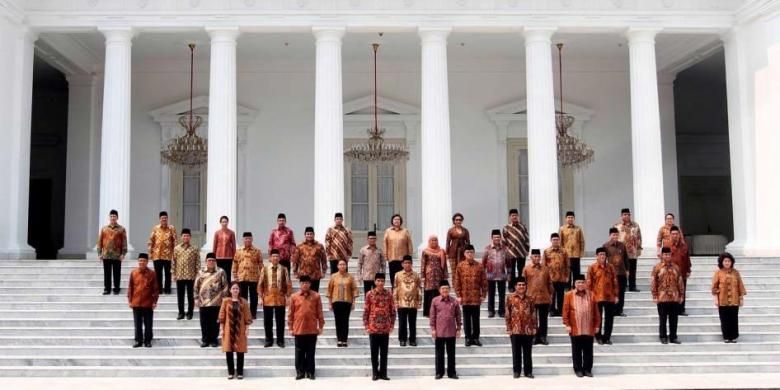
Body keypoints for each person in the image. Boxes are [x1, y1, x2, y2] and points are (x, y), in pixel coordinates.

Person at [288, 275, 325, 380]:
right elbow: (290, 313)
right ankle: (300, 372)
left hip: (312, 328)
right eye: (303, 283)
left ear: (310, 284)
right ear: (300, 284)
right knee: (299, 352)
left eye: (307, 283)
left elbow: (320, 312)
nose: (305, 285)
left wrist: (321, 326)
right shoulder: (294, 297)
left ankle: (310, 372)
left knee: (310, 352)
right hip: (299, 328)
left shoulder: (316, 296)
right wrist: (290, 328)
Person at [563, 275, 600, 378]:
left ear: (585, 283)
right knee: (576, 350)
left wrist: (597, 325)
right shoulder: (569, 295)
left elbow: (596, 312)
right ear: (575, 284)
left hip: (589, 327)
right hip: (575, 328)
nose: (580, 284)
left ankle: (587, 370)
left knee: (588, 350)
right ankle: (578, 369)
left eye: (582, 282)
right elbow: (565, 312)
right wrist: (567, 324)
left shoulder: (591, 295)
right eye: (578, 282)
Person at [363, 272, 396, 381]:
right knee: (374, 352)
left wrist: (392, 325)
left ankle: (383, 373)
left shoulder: (389, 294)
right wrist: (366, 326)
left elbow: (393, 311)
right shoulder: (369, 294)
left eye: (382, 281)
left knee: (384, 352)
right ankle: (375, 373)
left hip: (385, 327)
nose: (380, 283)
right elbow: (366, 311)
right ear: (375, 282)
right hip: (373, 328)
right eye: (378, 281)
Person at [453, 244, 487, 347]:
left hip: (476, 297)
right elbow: (457, 281)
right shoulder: (460, 266)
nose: (470, 254)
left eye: (471, 252)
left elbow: (484, 281)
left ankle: (476, 337)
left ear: (474, 253)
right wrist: (458, 295)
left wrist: (483, 294)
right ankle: (468, 337)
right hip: (465, 297)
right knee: (467, 319)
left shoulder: (479, 266)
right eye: (468, 252)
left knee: (476, 318)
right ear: (464, 254)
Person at [258, 249, 292, 348]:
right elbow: (260, 284)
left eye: (277, 256)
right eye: (273, 256)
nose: (275, 258)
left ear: (279, 258)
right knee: (267, 321)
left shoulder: (284, 269)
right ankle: (268, 340)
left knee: (280, 321)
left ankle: (280, 340)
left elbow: (288, 284)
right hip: (267, 298)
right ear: (270, 258)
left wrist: (288, 296)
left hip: (280, 298)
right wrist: (260, 297)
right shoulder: (264, 269)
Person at [651, 247, 685, 344]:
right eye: (665, 254)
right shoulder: (657, 268)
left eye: (669, 254)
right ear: (662, 255)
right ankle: (663, 336)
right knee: (663, 318)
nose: (667, 256)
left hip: (674, 297)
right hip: (662, 297)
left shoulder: (676, 267)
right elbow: (653, 282)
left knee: (674, 319)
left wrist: (681, 295)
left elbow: (680, 282)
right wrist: (654, 295)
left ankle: (673, 337)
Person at [219, 282, 252, 380]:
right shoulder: (225, 301)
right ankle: (231, 372)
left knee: (240, 351)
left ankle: (240, 372)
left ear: (239, 290)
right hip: (228, 329)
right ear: (230, 290)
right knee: (228, 351)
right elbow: (221, 316)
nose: (235, 290)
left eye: (237, 288)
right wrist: (221, 329)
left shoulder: (244, 302)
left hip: (240, 329)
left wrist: (247, 329)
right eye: (233, 288)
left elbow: (247, 316)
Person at [505, 277, 537, 379]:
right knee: (516, 351)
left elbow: (533, 314)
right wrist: (509, 328)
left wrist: (535, 327)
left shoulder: (530, 299)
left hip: (528, 329)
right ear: (515, 286)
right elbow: (507, 314)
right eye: (519, 285)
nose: (521, 287)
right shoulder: (510, 298)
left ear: (526, 286)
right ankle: (517, 371)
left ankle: (528, 372)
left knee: (528, 352)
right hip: (515, 329)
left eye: (523, 285)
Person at [712, 252, 747, 343]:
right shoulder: (718, 273)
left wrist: (741, 298)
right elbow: (714, 287)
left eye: (729, 261)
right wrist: (716, 298)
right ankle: (726, 337)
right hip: (723, 300)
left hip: (734, 300)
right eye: (725, 261)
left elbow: (740, 285)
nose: (727, 263)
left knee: (733, 319)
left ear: (732, 262)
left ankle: (734, 336)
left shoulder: (736, 273)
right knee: (724, 319)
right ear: (722, 262)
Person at [195, 253, 228, 348]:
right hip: (203, 302)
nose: (211, 262)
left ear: (215, 262)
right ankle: (205, 340)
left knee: (215, 322)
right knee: (204, 322)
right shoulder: (201, 272)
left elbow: (225, 286)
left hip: (217, 302)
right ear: (206, 262)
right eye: (209, 260)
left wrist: (224, 300)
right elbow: (196, 286)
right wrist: (196, 298)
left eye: (213, 260)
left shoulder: (221, 272)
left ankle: (214, 340)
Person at [587, 247, 619, 345]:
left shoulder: (610, 267)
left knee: (609, 318)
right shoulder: (592, 268)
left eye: (604, 255)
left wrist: (616, 295)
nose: (602, 256)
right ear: (596, 256)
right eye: (600, 254)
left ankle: (607, 337)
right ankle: (598, 336)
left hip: (609, 296)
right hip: (597, 296)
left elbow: (615, 282)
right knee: (598, 318)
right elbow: (589, 283)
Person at [430, 280, 461, 380]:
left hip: (451, 331)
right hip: (439, 331)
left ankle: (452, 373)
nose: (445, 290)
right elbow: (432, 316)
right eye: (443, 288)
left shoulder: (454, 301)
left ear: (449, 290)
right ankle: (439, 372)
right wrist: (433, 329)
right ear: (439, 290)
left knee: (451, 353)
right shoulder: (435, 301)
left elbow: (458, 316)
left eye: (447, 288)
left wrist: (459, 329)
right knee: (439, 354)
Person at [522, 249, 553, 345]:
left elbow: (549, 283)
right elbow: (523, 284)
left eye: (538, 256)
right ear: (531, 257)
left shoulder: (545, 269)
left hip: (544, 297)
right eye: (535, 256)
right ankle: (534, 336)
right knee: (533, 319)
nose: (537, 258)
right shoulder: (526, 269)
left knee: (544, 319)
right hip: (531, 298)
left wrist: (550, 295)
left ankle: (543, 336)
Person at [127, 253, 159, 348]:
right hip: (136, 302)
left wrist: (154, 301)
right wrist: (129, 300)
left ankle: (148, 340)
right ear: (138, 261)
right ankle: (138, 341)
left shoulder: (152, 273)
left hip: (148, 303)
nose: (142, 262)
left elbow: (156, 289)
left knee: (148, 324)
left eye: (144, 261)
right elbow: (130, 287)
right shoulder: (133, 273)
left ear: (147, 262)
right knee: (137, 324)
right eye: (140, 260)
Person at [328, 259, 359, 347]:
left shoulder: (350, 277)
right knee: (338, 321)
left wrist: (354, 302)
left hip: (347, 301)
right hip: (336, 301)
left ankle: (344, 339)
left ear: (346, 266)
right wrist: (330, 303)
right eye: (340, 264)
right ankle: (339, 339)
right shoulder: (333, 276)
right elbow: (329, 290)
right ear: (337, 266)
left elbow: (354, 290)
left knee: (345, 321)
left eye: (344, 264)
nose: (342, 266)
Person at [232, 232, 263, 319]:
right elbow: (235, 264)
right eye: (246, 238)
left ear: (252, 239)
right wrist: (235, 276)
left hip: (254, 277)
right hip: (242, 277)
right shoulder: (239, 251)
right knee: (243, 297)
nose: (248, 240)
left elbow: (260, 264)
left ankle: (253, 313)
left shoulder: (257, 251)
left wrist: (262, 276)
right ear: (243, 240)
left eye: (249, 238)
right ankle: (244, 313)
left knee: (254, 297)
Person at [172, 228, 200, 320]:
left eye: (187, 236)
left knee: (190, 295)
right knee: (180, 295)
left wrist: (197, 275)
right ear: (181, 237)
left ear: (190, 237)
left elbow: (198, 263)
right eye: (184, 236)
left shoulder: (194, 249)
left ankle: (190, 312)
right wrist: (173, 274)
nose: (186, 237)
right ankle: (181, 312)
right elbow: (173, 261)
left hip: (191, 276)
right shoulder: (176, 249)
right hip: (179, 275)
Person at [97, 209, 127, 295]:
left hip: (117, 254)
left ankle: (116, 288)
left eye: (114, 216)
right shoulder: (104, 229)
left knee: (117, 272)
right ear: (109, 217)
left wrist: (123, 253)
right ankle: (107, 288)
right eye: (111, 216)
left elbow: (124, 242)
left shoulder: (121, 229)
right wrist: (99, 253)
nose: (113, 218)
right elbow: (100, 242)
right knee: (107, 273)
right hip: (106, 254)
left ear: (117, 217)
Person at [394, 255, 422, 346]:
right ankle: (402, 339)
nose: (407, 264)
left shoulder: (416, 275)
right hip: (402, 302)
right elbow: (395, 288)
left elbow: (419, 288)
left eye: (409, 263)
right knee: (402, 322)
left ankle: (412, 339)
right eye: (405, 263)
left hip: (413, 302)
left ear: (412, 264)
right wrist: (395, 301)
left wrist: (419, 301)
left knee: (412, 322)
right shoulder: (398, 275)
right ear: (402, 264)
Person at [148, 211, 177, 295]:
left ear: (167, 219)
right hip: (157, 254)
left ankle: (167, 289)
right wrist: (150, 252)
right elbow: (151, 241)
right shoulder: (155, 228)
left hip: (168, 255)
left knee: (168, 273)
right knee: (158, 274)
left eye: (165, 218)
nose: (164, 219)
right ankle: (159, 289)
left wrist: (175, 253)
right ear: (159, 219)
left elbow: (175, 241)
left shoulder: (171, 228)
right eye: (162, 218)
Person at [483, 229, 510, 318]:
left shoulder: (505, 248)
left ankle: (501, 311)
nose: (497, 239)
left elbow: (508, 262)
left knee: (502, 294)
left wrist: (509, 273)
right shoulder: (487, 248)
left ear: (500, 238)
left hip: (502, 275)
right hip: (490, 275)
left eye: (498, 237)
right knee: (491, 294)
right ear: (492, 238)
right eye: (495, 237)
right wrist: (483, 274)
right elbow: (483, 262)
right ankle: (491, 311)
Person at [614, 208, 642, 292]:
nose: (626, 216)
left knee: (632, 269)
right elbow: (614, 238)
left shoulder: (635, 225)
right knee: (621, 270)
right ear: (621, 216)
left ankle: (632, 286)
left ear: (630, 215)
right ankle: (623, 286)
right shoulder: (617, 226)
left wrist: (639, 248)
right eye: (624, 215)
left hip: (632, 251)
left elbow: (639, 237)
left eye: (628, 214)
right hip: (620, 252)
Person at [293, 226, 328, 292]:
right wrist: (295, 272)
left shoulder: (319, 246)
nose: (309, 235)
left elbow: (324, 259)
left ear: (314, 234)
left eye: (311, 234)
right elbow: (295, 260)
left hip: (315, 274)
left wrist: (324, 271)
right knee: (304, 294)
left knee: (314, 294)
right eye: (308, 234)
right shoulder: (300, 246)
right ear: (305, 235)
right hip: (303, 274)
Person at [503, 209, 530, 292]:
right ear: (510, 217)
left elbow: (527, 239)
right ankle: (511, 286)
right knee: (511, 271)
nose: (514, 217)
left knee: (521, 270)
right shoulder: (506, 228)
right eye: (512, 215)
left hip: (521, 252)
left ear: (518, 216)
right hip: (510, 253)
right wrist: (505, 251)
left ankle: (521, 286)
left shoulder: (523, 227)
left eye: (516, 215)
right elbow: (504, 241)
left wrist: (527, 250)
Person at [421, 235, 448, 317]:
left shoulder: (442, 251)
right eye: (432, 240)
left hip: (439, 275)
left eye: (435, 240)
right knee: (429, 293)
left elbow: (445, 265)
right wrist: (422, 275)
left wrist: (445, 275)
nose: (434, 242)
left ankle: (438, 311)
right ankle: (428, 312)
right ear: (429, 241)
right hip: (429, 276)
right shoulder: (425, 251)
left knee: (438, 292)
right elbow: (423, 264)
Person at [603, 228, 628, 317]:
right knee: (611, 292)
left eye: (617, 235)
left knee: (621, 292)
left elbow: (626, 258)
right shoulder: (605, 246)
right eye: (613, 235)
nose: (615, 236)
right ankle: (612, 310)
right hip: (610, 273)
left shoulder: (622, 245)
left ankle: (619, 310)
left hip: (621, 273)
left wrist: (627, 270)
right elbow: (603, 259)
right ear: (610, 235)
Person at [383, 214, 413, 288]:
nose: (396, 221)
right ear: (392, 221)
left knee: (403, 279)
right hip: (392, 258)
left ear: (401, 221)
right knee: (393, 279)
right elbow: (385, 243)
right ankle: (394, 296)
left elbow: (409, 243)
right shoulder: (388, 231)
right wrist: (385, 255)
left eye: (398, 219)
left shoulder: (405, 231)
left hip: (403, 260)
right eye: (395, 219)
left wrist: (409, 256)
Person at [543, 233, 569, 316]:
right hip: (551, 277)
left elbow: (567, 264)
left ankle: (560, 310)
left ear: (559, 240)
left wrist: (567, 276)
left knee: (561, 295)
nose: (555, 241)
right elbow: (543, 265)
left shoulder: (564, 251)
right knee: (552, 295)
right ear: (551, 240)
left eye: (557, 239)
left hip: (561, 277)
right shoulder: (546, 251)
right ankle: (551, 310)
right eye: (554, 240)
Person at [669, 226, 691, 315]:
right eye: (673, 234)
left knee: (682, 291)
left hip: (682, 272)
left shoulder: (684, 246)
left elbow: (687, 259)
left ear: (679, 235)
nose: (675, 235)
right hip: (670, 273)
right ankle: (672, 309)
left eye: (676, 234)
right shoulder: (667, 246)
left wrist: (688, 270)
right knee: (671, 291)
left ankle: (681, 309)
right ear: (670, 235)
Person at [559, 211, 585, 289]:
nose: (570, 219)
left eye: (572, 217)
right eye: (568, 217)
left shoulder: (578, 229)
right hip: (566, 256)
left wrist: (581, 253)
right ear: (566, 219)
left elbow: (582, 241)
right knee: (567, 274)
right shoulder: (562, 229)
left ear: (574, 219)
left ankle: (576, 289)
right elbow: (560, 242)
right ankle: (568, 291)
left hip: (576, 255)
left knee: (576, 274)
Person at [212, 216, 237, 284]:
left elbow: (234, 245)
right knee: (219, 273)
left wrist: (235, 256)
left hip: (229, 256)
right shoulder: (217, 233)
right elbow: (215, 244)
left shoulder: (231, 233)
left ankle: (228, 290)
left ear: (228, 222)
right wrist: (213, 256)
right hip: (219, 256)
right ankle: (220, 290)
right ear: (220, 223)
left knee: (228, 274)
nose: (224, 223)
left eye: (226, 222)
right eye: (223, 222)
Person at [446, 212, 471, 277]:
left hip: (463, 253)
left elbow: (468, 242)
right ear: (454, 221)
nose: (458, 221)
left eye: (460, 220)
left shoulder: (465, 231)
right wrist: (447, 253)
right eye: (456, 220)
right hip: (453, 253)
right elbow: (448, 242)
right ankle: (455, 286)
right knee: (454, 271)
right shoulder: (450, 230)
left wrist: (469, 253)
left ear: (462, 221)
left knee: (463, 270)